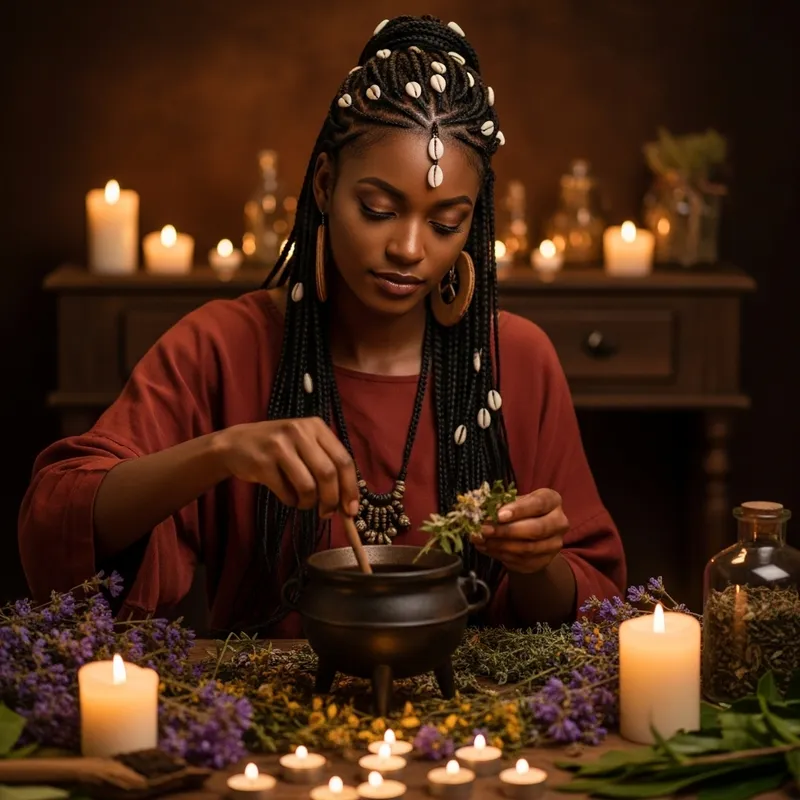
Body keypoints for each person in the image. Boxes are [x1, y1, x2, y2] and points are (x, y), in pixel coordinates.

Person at [18, 15, 625, 635]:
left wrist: (536, 563)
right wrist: (223, 451)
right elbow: (58, 519)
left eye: (446, 223)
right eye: (378, 209)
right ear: (325, 184)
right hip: (267, 721)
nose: (410, 248)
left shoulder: (515, 358)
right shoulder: (223, 346)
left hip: (478, 722)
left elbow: (588, 600)